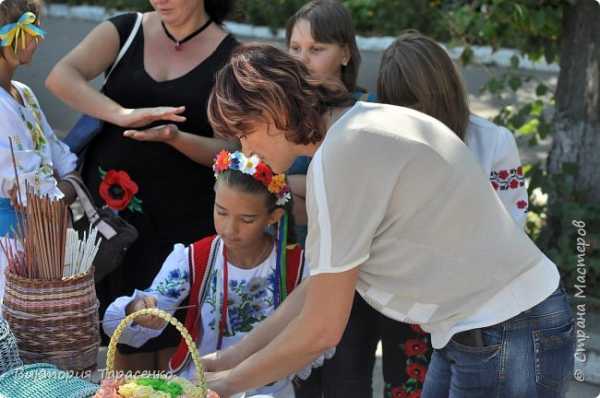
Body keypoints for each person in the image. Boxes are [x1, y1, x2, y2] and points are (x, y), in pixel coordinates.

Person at [202, 43, 575, 398]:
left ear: (274, 111)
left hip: (506, 330)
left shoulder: (343, 155)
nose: (245, 151)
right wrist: (233, 357)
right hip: (486, 329)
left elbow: (321, 329)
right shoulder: (358, 127)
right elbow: (320, 285)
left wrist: (228, 385)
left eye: (242, 132)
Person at [45, 0, 239, 371]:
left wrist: (175, 137)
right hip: (110, 226)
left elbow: (229, 150)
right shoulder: (126, 28)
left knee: (169, 342)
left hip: (180, 228)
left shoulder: (231, 56)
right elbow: (61, 76)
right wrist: (121, 114)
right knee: (115, 340)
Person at [340, 30, 532, 397]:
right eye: (400, 107)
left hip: (475, 313)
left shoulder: (493, 141)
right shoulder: (386, 142)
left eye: (417, 104)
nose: (413, 117)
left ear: (442, 92)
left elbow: (512, 229)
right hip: (406, 302)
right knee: (403, 387)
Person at [103, 150, 312, 397]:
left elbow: (313, 339)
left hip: (268, 388)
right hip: (201, 385)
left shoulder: (298, 266)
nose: (230, 228)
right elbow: (148, 304)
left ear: (273, 217)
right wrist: (138, 310)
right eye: (221, 212)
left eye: (247, 219)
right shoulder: (196, 257)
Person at [0, 0, 77, 299]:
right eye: (32, 32)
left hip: (38, 236)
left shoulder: (24, 93)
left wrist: (63, 182)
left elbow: (58, 154)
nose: (38, 39)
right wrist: (66, 187)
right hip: (9, 243)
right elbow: (31, 186)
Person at [285, 0, 370, 249]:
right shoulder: (282, 109)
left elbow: (348, 196)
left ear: (345, 54)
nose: (302, 60)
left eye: (316, 49)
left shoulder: (365, 113)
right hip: (282, 261)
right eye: (295, 48)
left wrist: (287, 185)